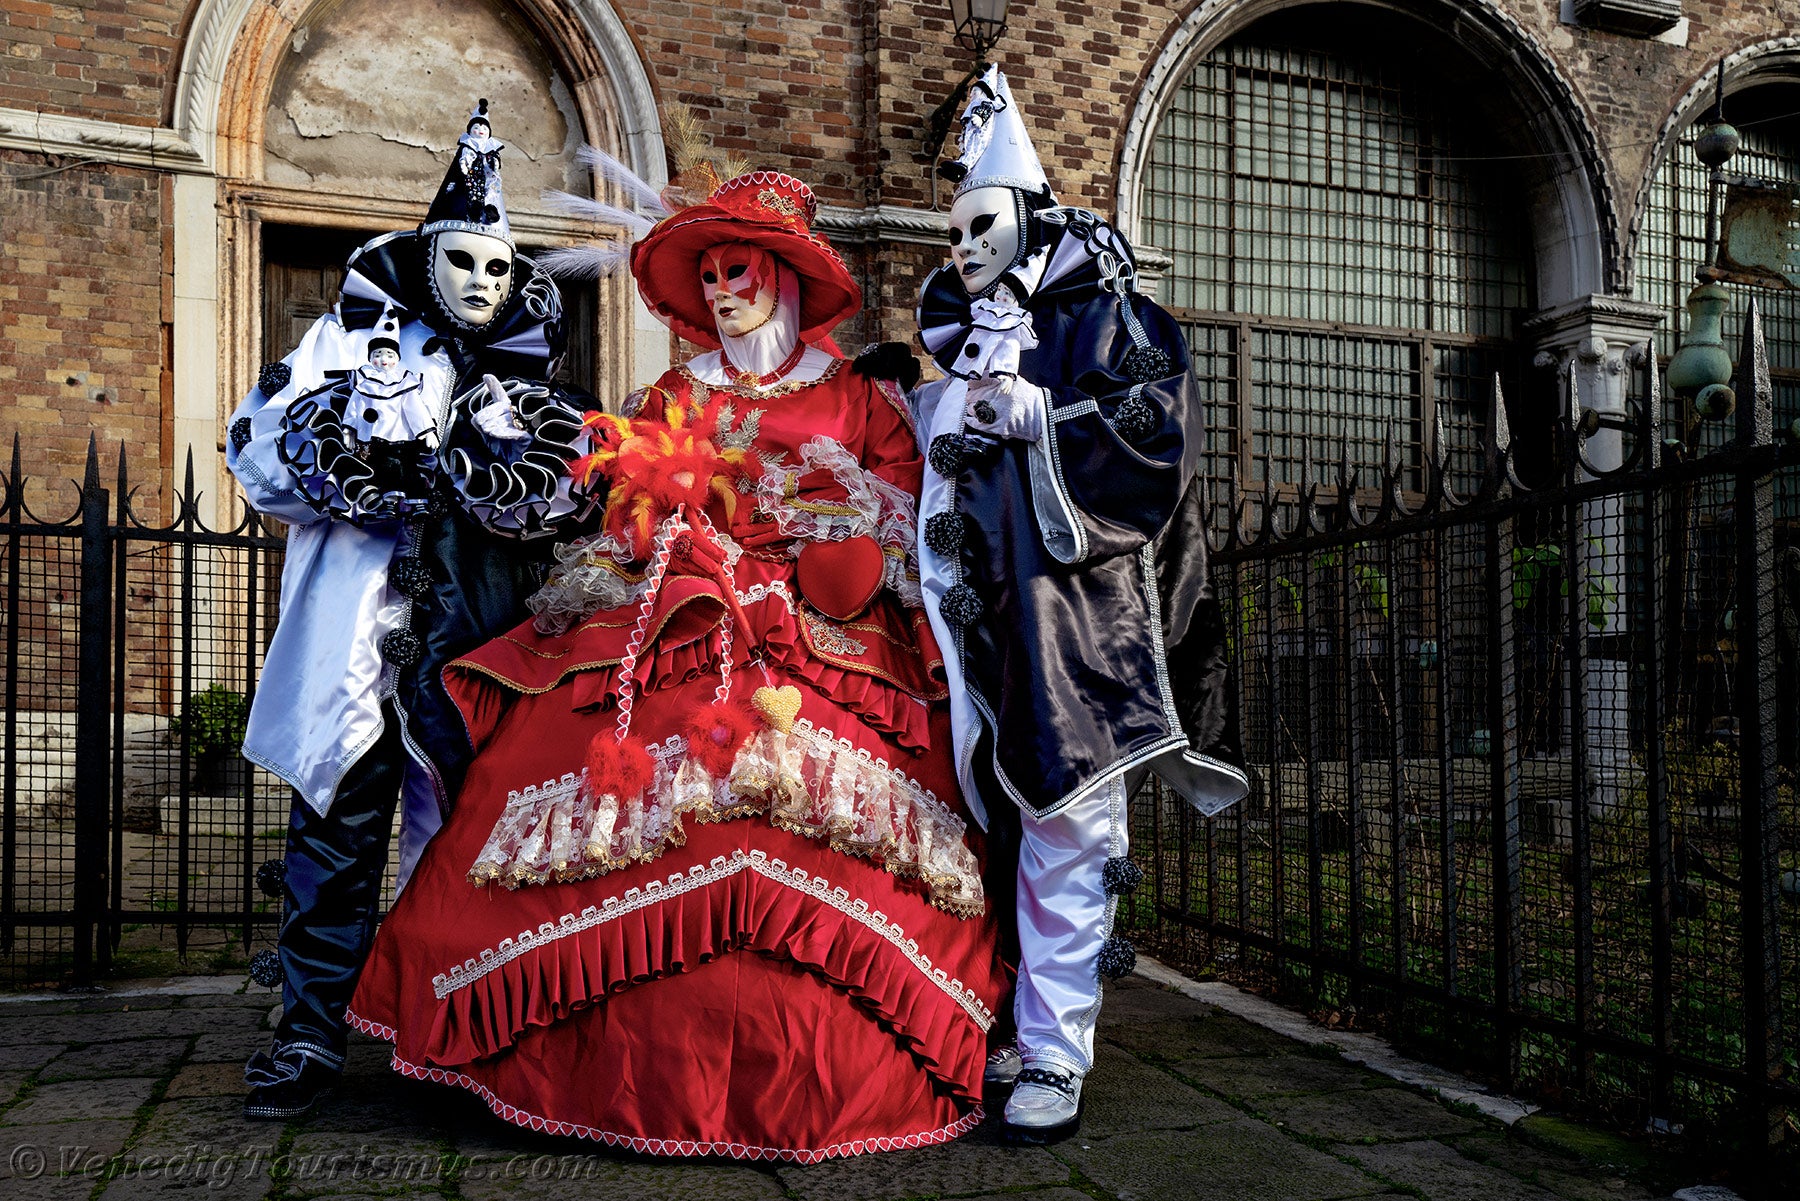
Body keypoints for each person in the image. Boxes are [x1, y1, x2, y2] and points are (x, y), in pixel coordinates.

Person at [347, 160, 1007, 1160]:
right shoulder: (671, 390)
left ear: (785, 276)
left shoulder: (860, 398)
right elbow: (626, 499)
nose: (721, 292)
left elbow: (905, 506)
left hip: (823, 622)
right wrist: (661, 508)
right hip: (676, 602)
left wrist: (836, 518)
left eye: (738, 271)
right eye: (707, 276)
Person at [226, 101, 594, 1120]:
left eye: (497, 268)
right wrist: (350, 453)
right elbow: (257, 454)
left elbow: (562, 500)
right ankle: (308, 1032)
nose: (480, 282)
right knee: (336, 831)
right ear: (426, 262)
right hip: (356, 642)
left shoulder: (527, 384)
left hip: (473, 642)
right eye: (461, 261)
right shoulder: (343, 348)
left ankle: (448, 1038)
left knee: (467, 839)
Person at [912, 66, 1250, 1143]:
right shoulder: (962, 344)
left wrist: (1043, 421)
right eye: (953, 232)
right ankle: (1012, 1025)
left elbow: (1156, 442)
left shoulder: (1108, 323)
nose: (964, 247)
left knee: (1068, 828)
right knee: (989, 825)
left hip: (1075, 635)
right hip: (971, 635)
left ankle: (1057, 1051)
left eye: (983, 224)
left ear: (1030, 219)